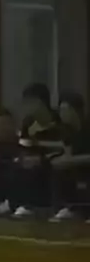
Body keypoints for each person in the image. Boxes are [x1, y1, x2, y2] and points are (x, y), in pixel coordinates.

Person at [10, 82, 64, 218]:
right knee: (15, 167)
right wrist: (23, 159)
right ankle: (19, 206)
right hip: (32, 161)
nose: (25, 107)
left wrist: (40, 158)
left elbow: (63, 148)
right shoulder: (28, 123)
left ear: (40, 103)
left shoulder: (59, 121)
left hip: (52, 161)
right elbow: (23, 146)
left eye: (29, 103)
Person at [50, 91, 90, 222]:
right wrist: (59, 160)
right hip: (78, 168)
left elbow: (73, 159)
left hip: (86, 167)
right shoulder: (67, 131)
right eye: (60, 110)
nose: (61, 113)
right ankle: (66, 208)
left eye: (64, 109)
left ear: (75, 111)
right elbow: (67, 153)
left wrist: (72, 160)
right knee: (58, 170)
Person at [0, 109, 20, 215]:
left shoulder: (23, 145)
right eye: (0, 125)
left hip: (21, 198)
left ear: (13, 125)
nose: (4, 128)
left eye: (7, 124)